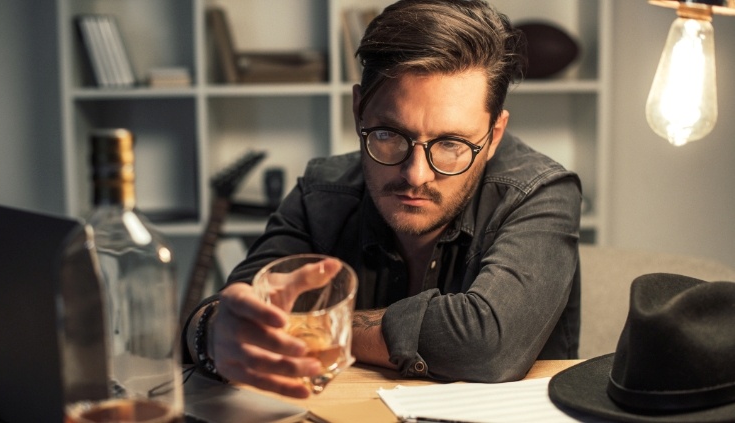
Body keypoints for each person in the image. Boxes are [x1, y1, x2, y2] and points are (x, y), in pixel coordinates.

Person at [184, 0, 581, 399]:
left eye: (451, 144)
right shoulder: (323, 192)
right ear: (359, 110)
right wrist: (215, 330)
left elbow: (486, 343)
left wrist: (325, 328)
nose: (416, 175)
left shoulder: (542, 193)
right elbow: (232, 310)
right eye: (390, 135)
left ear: (494, 135)